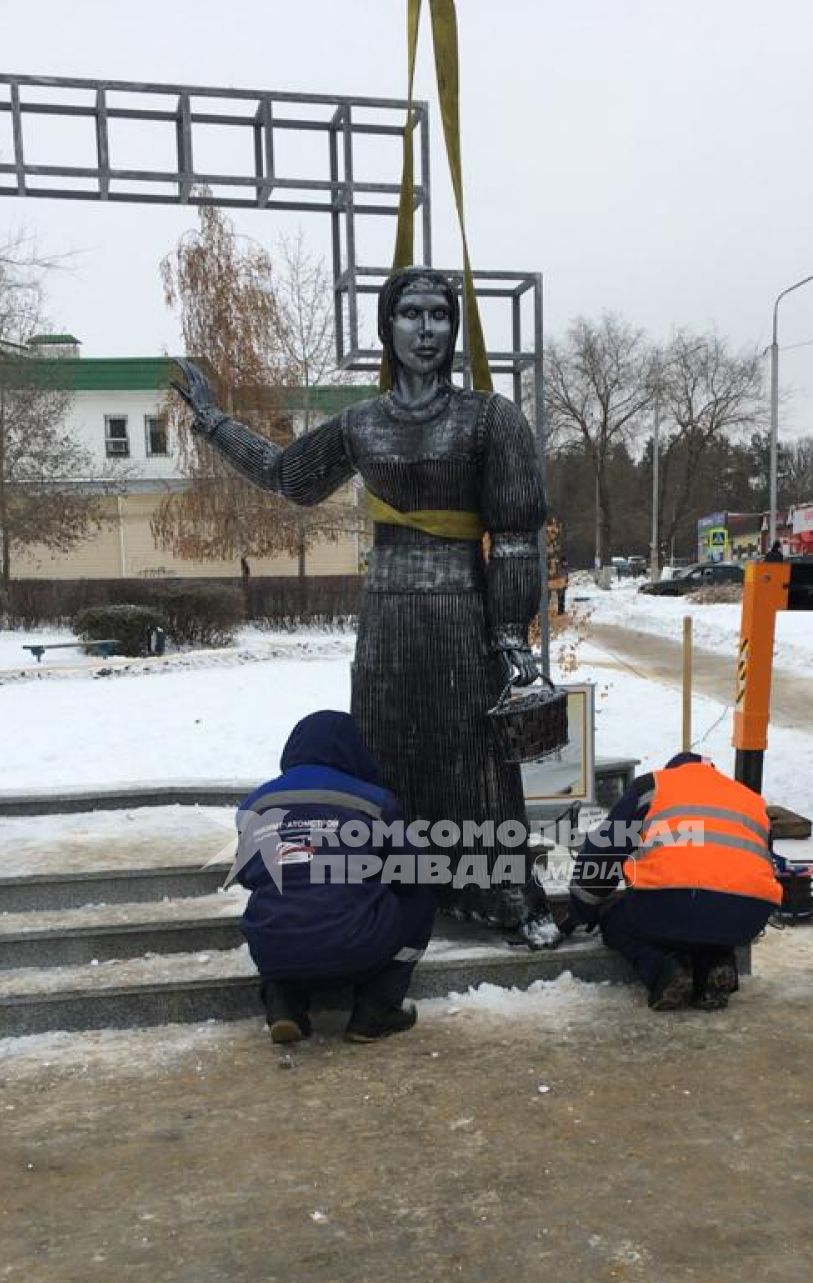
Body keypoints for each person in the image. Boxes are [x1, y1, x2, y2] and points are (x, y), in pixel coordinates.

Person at [171, 265, 557, 947]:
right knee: (386, 748)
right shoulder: (362, 425)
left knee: (474, 756)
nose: (427, 328)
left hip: (465, 613)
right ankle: (389, 885)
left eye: (440, 314)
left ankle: (501, 888)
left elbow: (519, 534)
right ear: (388, 326)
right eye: (411, 313)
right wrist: (213, 422)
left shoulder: (488, 418)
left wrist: (510, 633)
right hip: (386, 618)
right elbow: (287, 475)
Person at [234, 710, 436, 1044]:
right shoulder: (373, 800)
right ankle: (377, 1008)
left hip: (273, 951)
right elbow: (413, 870)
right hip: (355, 947)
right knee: (420, 899)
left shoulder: (257, 802)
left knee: (280, 907)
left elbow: (247, 874)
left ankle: (283, 1004)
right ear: (354, 750)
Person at [566, 752, 783, 1009]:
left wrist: (584, 910)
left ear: (673, 769)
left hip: (669, 907)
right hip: (746, 915)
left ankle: (665, 971)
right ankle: (715, 964)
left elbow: (603, 853)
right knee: (709, 923)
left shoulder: (653, 787)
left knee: (616, 920)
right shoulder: (750, 799)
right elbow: (760, 864)